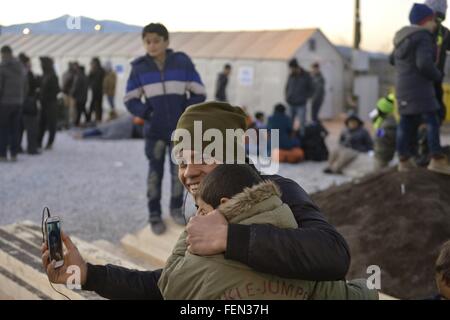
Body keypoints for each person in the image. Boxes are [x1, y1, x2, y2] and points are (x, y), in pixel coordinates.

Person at [41, 101, 350, 300]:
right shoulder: (206, 207)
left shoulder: (276, 191)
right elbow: (173, 285)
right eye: (181, 162)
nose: (188, 173)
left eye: (201, 156)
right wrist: (88, 275)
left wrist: (231, 238)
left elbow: (334, 255)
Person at [159, 164, 378, 300]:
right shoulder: (300, 246)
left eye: (203, 211)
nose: (200, 217)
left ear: (223, 204)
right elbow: (354, 294)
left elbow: (168, 287)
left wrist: (191, 234)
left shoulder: (204, 263)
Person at [123, 23, 207, 235]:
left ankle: (176, 210)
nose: (151, 45)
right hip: (154, 133)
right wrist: (148, 113)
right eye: (147, 41)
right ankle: (154, 215)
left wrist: (184, 111)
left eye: (156, 41)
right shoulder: (139, 67)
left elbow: (199, 91)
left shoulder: (182, 62)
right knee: (154, 174)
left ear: (166, 41)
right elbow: (130, 99)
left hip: (180, 133)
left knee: (179, 174)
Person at [392, 3, 450, 175]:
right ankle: (436, 159)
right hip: (420, 89)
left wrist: (406, 70)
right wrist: (437, 75)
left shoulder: (402, 38)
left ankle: (404, 160)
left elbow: (391, 59)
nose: (434, 24)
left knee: (405, 123)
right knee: (432, 120)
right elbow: (424, 63)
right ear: (425, 21)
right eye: (432, 20)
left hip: (403, 88)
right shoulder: (423, 36)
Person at [0, 45, 27, 162]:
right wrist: (22, 98)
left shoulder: (3, 68)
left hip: (5, 102)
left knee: (3, 129)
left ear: (5, 54)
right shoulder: (21, 67)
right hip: (18, 102)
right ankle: (14, 153)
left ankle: (3, 154)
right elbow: (26, 86)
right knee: (15, 129)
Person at [425, 0, 450, 123]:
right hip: (428, 79)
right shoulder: (422, 32)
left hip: (433, 79)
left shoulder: (444, 33)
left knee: (436, 113)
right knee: (434, 113)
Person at [18, 53, 40, 155]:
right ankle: (32, 148)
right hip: (28, 102)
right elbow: (30, 87)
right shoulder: (27, 73)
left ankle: (17, 147)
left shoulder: (17, 71)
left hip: (18, 102)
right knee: (31, 127)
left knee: (19, 127)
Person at [285, 58, 313, 135]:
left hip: (301, 104)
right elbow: (287, 87)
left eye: (292, 68)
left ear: (296, 67)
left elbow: (311, 89)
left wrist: (305, 97)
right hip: (291, 103)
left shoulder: (306, 76)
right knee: (289, 123)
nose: (291, 70)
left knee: (302, 123)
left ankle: (302, 139)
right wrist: (287, 97)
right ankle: (289, 138)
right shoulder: (291, 75)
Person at [38, 57, 60, 150]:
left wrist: (45, 95)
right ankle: (38, 142)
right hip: (45, 103)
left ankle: (49, 142)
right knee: (41, 123)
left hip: (51, 103)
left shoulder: (52, 76)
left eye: (42, 63)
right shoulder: (45, 75)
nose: (41, 65)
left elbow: (57, 90)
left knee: (51, 124)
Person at [372, 94, 397, 170]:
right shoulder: (383, 121)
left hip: (383, 156)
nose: (376, 111)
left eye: (378, 109)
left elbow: (380, 138)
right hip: (382, 154)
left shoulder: (387, 125)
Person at [87, 57, 105, 123]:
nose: (92, 64)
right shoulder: (97, 70)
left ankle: (96, 118)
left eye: (93, 63)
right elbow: (88, 79)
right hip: (96, 90)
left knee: (96, 105)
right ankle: (95, 118)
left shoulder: (99, 70)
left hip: (98, 90)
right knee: (94, 105)